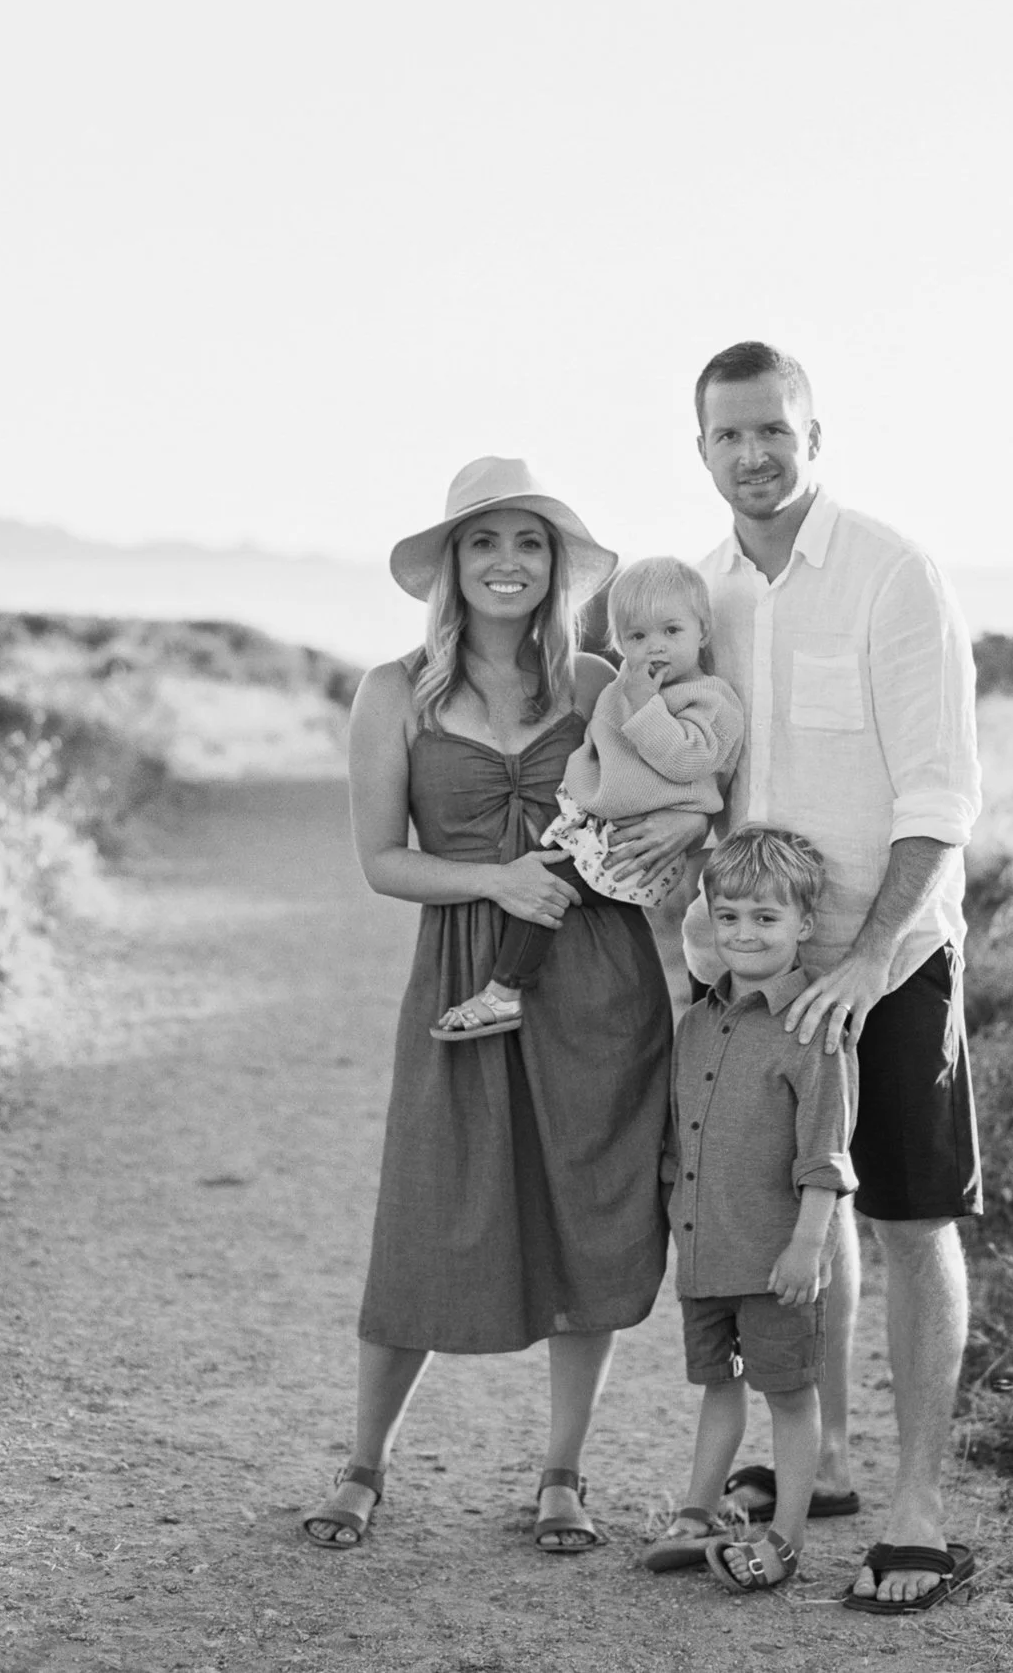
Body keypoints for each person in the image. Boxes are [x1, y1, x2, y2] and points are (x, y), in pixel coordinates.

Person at [300, 457, 673, 1557]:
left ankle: (563, 1472)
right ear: (452, 566)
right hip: (467, 969)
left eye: (528, 543)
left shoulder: (602, 685)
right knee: (430, 1206)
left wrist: (673, 846)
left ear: (555, 565)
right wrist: (495, 879)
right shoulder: (392, 690)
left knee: (590, 1211)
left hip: (598, 976)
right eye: (484, 542)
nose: (507, 563)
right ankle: (364, 1462)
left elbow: (670, 808)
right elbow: (381, 862)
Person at [680, 341, 983, 1616]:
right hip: (762, 967)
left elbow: (941, 793)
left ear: (815, 435)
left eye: (774, 431)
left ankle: (916, 1505)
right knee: (809, 1211)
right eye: (729, 435)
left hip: (891, 955)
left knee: (909, 1221)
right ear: (700, 448)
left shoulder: (891, 573)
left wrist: (868, 958)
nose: (754, 454)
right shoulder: (700, 595)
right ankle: (839, 1461)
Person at [641, 825, 856, 1595]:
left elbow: (825, 1155)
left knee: (789, 1398)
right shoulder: (697, 1022)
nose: (743, 933)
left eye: (765, 918)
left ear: (803, 923)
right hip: (705, 1254)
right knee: (717, 1387)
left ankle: (786, 1538)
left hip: (774, 1259)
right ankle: (697, 1513)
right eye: (727, 915)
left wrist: (808, 1244)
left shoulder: (815, 1028)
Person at [431, 556, 743, 1041]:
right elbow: (603, 749)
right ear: (619, 643)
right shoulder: (626, 688)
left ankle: (503, 991)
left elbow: (687, 761)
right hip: (604, 829)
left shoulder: (709, 698)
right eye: (637, 637)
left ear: (703, 632)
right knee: (545, 877)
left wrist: (644, 707)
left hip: (641, 850)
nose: (655, 646)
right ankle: (508, 987)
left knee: (546, 885)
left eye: (671, 630)